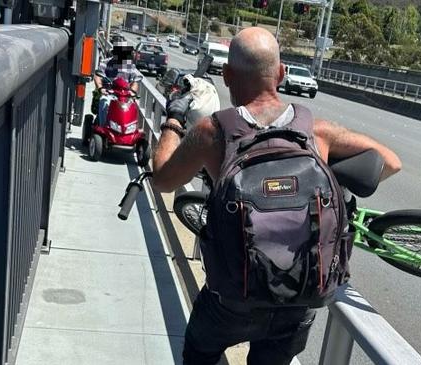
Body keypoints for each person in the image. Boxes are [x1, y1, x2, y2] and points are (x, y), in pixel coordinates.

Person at [152, 27, 402, 365]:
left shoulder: (213, 133)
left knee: (199, 350)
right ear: (282, 73)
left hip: (230, 303)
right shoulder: (315, 131)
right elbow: (390, 162)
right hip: (297, 304)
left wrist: (173, 117)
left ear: (226, 76)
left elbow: (163, 179)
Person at [93, 42, 142, 126]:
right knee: (104, 102)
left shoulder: (130, 66)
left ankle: (128, 129)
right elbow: (98, 76)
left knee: (132, 108)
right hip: (109, 93)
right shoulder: (105, 62)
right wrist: (101, 88)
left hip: (124, 95)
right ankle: (103, 127)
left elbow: (135, 81)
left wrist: (132, 92)